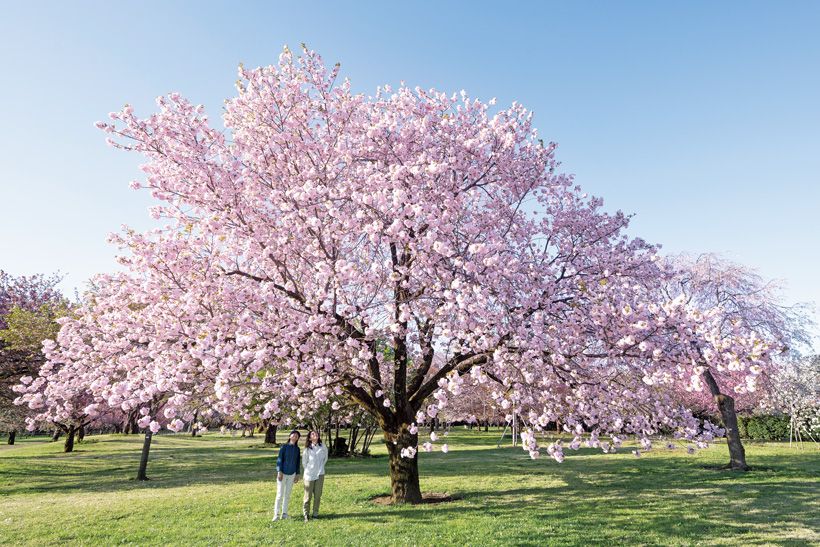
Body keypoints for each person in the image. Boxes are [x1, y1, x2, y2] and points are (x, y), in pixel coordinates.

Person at [273, 430, 301, 521]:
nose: (295, 436)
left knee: (287, 494)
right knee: (279, 494)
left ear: (298, 438)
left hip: (292, 474)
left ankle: (284, 514)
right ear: (290, 436)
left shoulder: (297, 449)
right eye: (293, 435)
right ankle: (276, 514)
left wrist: (297, 473)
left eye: (297, 436)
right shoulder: (284, 447)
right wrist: (279, 471)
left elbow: (297, 462)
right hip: (283, 473)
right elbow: (279, 459)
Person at [302, 430, 329, 521]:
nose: (315, 434)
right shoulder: (307, 449)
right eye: (312, 434)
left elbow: (325, 459)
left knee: (317, 495)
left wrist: (320, 468)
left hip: (320, 474)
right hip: (309, 475)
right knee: (308, 496)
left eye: (316, 433)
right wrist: (310, 470)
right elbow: (304, 462)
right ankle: (306, 514)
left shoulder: (323, 446)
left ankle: (315, 514)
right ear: (310, 438)